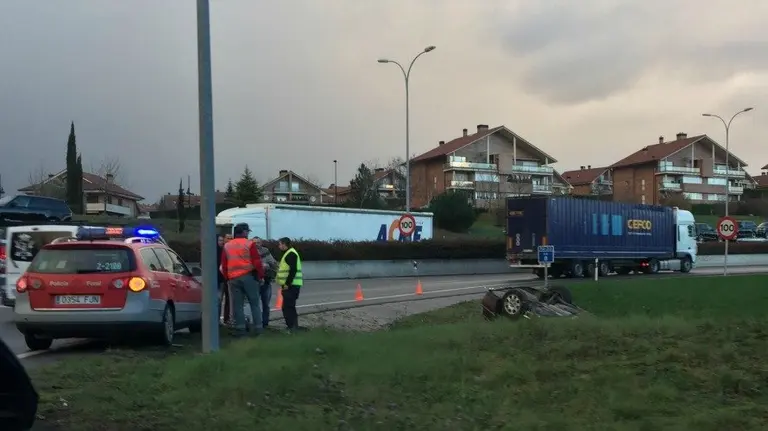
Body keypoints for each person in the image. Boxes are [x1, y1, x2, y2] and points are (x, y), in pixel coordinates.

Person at [220, 223, 265, 337]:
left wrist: (227, 278)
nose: (248, 234)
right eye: (247, 232)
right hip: (248, 276)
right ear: (244, 232)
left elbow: (224, 264)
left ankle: (240, 330)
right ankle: (258, 329)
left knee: (237, 305)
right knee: (254, 303)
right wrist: (260, 276)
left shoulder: (227, 246)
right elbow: (256, 262)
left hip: (233, 278)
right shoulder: (249, 244)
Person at [276, 237, 303, 331]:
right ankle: (293, 327)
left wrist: (287, 283)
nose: (279, 246)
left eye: (279, 244)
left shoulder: (290, 254)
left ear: (284, 244)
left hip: (291, 285)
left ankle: (292, 327)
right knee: (289, 307)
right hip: (292, 284)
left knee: (288, 307)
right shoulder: (289, 253)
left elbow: (293, 270)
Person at [253, 237, 278, 329]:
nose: (256, 244)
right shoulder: (249, 251)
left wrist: (268, 266)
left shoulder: (265, 251)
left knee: (266, 303)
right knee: (254, 303)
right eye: (254, 242)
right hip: (254, 281)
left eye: (258, 242)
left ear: (261, 243)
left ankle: (265, 323)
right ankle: (256, 323)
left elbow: (273, 263)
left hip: (266, 281)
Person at [216, 235, 232, 325]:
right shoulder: (214, 251)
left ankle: (227, 319)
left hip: (225, 279)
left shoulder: (226, 250)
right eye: (220, 240)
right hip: (219, 279)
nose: (221, 242)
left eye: (222, 240)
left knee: (228, 300)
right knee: (218, 300)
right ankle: (217, 320)